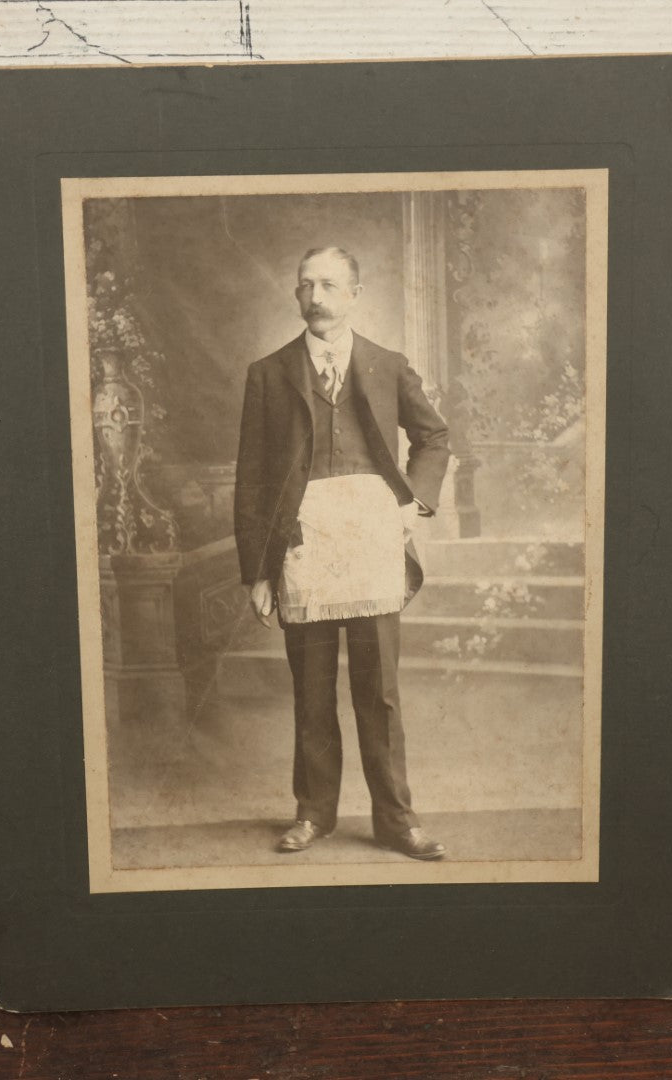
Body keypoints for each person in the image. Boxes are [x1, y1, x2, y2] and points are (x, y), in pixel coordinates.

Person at [233, 246, 450, 860]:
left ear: (356, 292)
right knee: (312, 688)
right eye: (305, 286)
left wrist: (414, 502)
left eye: (329, 285)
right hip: (301, 545)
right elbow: (251, 476)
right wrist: (257, 570)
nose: (316, 297)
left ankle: (397, 820)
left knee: (378, 690)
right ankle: (314, 813)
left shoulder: (387, 364)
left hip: (373, 541)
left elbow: (434, 437)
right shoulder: (269, 372)